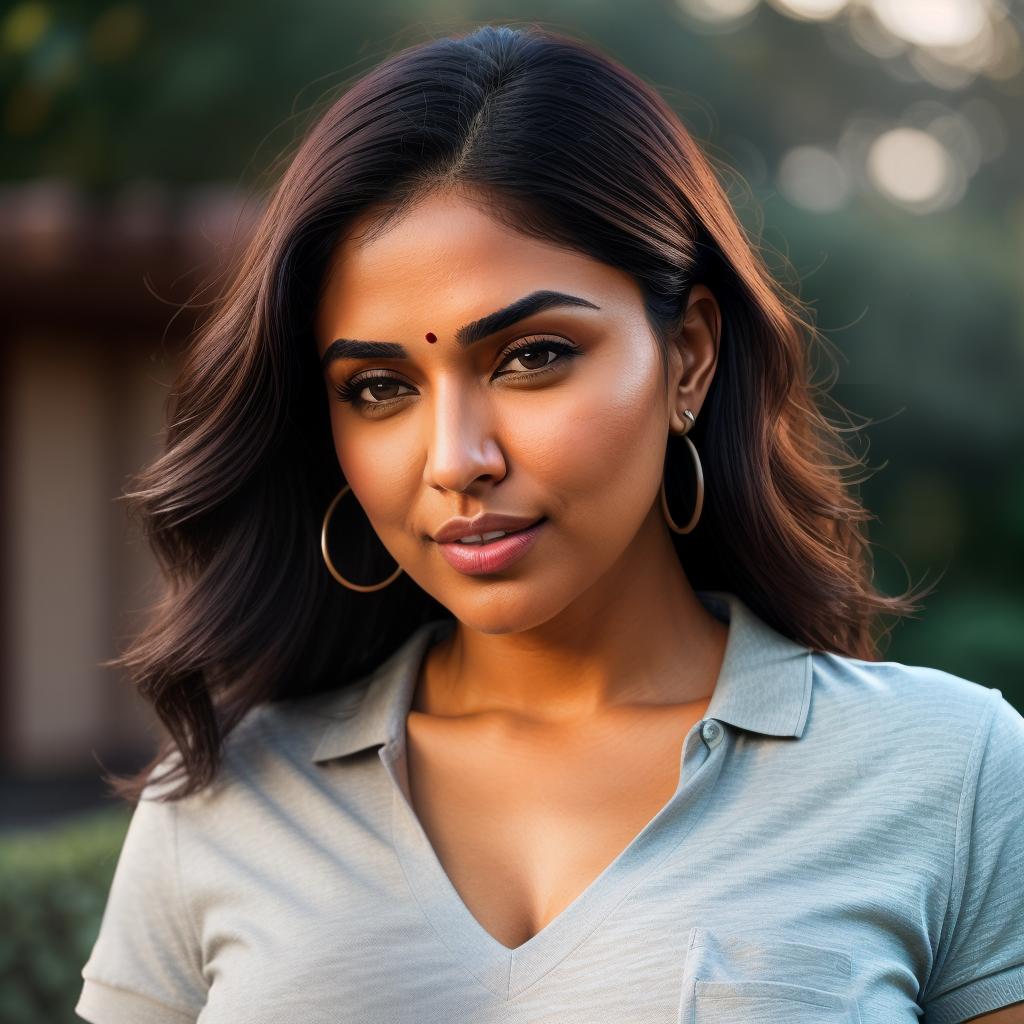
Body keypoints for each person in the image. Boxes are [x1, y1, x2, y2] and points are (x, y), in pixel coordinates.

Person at [75, 23, 1024, 1024]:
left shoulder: (946, 772)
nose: (455, 459)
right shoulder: (227, 798)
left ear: (689, 357)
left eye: (530, 357)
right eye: (380, 385)